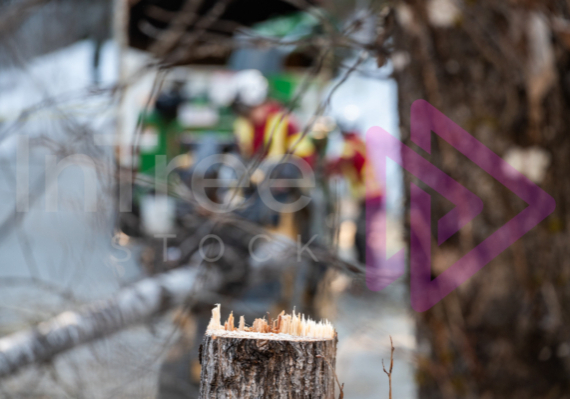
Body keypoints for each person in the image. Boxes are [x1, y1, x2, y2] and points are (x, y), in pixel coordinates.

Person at [328, 128, 383, 264]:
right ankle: (367, 268)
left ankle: (368, 269)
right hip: (373, 195)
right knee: (362, 234)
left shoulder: (350, 145)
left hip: (369, 196)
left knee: (361, 234)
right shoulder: (360, 143)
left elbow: (338, 163)